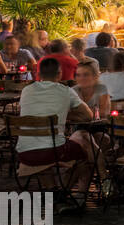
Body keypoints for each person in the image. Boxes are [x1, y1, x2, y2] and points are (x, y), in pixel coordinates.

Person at [16, 56, 94, 212]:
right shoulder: (65, 91)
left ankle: (52, 191)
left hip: (24, 152)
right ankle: (70, 193)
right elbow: (88, 116)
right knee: (86, 155)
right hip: (52, 152)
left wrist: (61, 115)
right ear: (59, 74)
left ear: (38, 74)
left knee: (44, 147)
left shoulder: (26, 90)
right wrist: (65, 115)